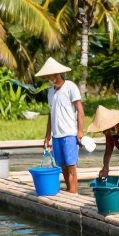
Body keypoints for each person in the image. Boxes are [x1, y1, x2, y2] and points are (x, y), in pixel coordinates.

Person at [36, 57, 84, 194]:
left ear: (57, 74)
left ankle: (73, 195)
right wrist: (47, 136)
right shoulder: (51, 92)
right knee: (62, 166)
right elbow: (51, 115)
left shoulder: (70, 87)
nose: (49, 78)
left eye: (50, 75)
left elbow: (80, 110)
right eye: (47, 76)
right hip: (56, 135)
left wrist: (80, 131)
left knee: (71, 167)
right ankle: (69, 190)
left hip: (69, 133)